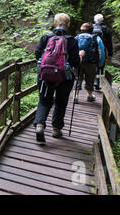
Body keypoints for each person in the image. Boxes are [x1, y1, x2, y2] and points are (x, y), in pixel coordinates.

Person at [33, 13, 80, 143]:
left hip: (45, 76)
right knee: (61, 102)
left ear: (55, 24)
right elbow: (75, 62)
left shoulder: (46, 37)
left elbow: (37, 55)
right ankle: (56, 129)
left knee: (44, 101)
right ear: (68, 25)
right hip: (65, 77)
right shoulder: (72, 40)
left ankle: (40, 125)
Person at [74, 23, 105, 104]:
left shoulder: (76, 38)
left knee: (77, 78)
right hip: (91, 63)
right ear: (92, 30)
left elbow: (72, 50)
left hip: (79, 61)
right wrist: (100, 63)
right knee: (90, 79)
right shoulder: (96, 38)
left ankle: (75, 96)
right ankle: (89, 95)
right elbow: (101, 51)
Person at [93, 14, 113, 90]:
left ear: (95, 20)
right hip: (102, 50)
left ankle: (92, 82)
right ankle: (97, 83)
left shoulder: (92, 27)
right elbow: (109, 43)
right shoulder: (106, 29)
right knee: (100, 66)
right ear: (103, 20)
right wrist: (110, 54)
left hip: (93, 50)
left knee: (92, 66)